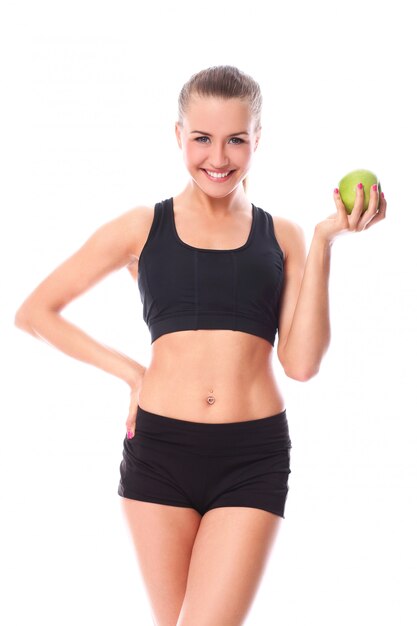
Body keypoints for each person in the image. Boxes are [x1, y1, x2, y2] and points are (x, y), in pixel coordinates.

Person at [14, 65, 386, 626]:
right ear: (179, 136)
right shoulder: (142, 227)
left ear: (257, 140)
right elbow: (34, 313)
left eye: (237, 139)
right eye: (203, 139)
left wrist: (324, 240)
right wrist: (134, 375)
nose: (219, 156)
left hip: (252, 457)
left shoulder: (281, 236)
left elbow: (302, 363)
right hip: (159, 453)